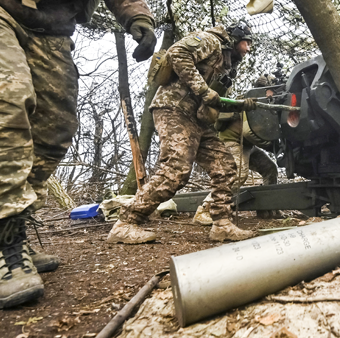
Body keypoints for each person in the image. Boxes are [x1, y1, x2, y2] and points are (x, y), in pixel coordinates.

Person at [0, 0, 157, 309]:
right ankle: (1, 237)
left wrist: (136, 14)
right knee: (3, 97)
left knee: (56, 125)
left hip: (52, 22)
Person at [107, 22, 256, 244]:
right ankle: (126, 223)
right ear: (235, 39)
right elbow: (177, 53)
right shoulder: (211, 41)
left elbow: (214, 100)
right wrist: (204, 90)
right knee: (176, 168)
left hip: (196, 117)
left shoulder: (226, 62)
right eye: (247, 43)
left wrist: (240, 105)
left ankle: (222, 225)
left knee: (224, 164)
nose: (248, 49)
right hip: (174, 109)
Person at [193, 75, 281, 225]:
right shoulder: (250, 101)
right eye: (273, 91)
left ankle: (267, 207)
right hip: (232, 141)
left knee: (270, 169)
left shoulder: (263, 102)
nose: (275, 94)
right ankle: (205, 209)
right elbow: (249, 133)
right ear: (265, 90)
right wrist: (274, 147)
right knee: (237, 175)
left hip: (247, 145)